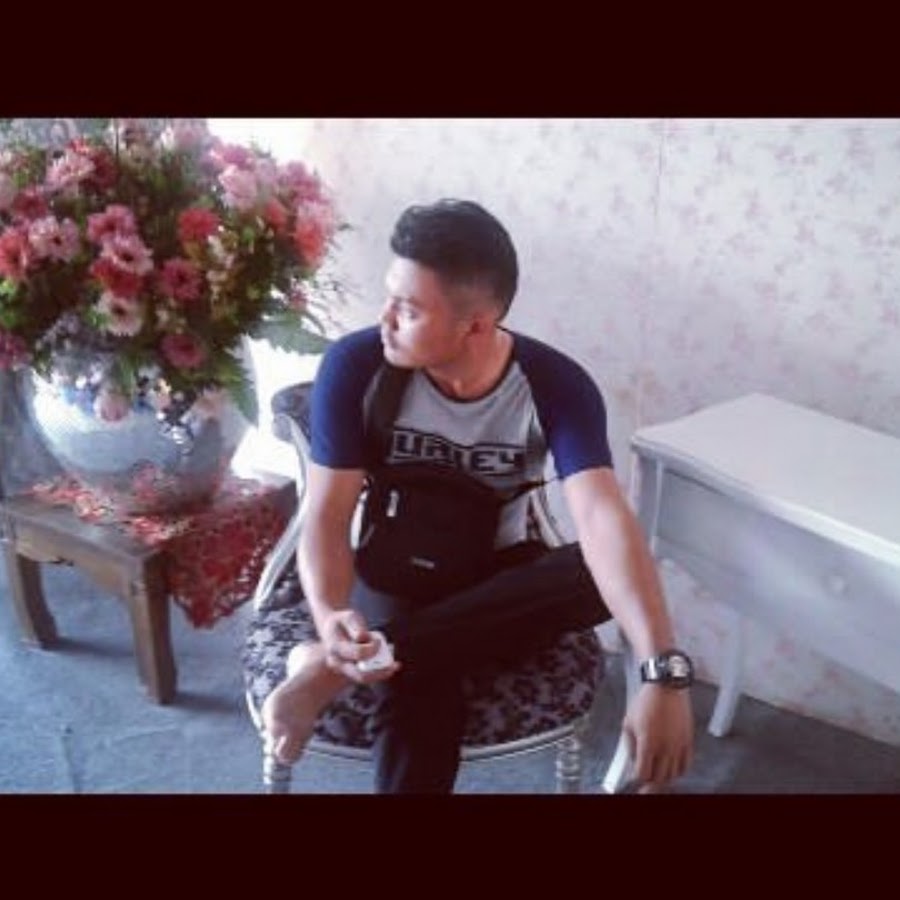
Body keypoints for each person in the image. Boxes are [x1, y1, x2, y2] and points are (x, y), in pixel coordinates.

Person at [262, 198, 694, 793]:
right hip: (395, 570)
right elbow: (327, 514)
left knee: (601, 573)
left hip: (498, 572)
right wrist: (331, 614)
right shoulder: (357, 365)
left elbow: (602, 516)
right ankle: (386, 651)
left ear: (476, 326)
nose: (385, 319)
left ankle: (330, 671)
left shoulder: (553, 384)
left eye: (409, 309)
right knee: (420, 686)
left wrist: (660, 672)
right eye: (389, 297)